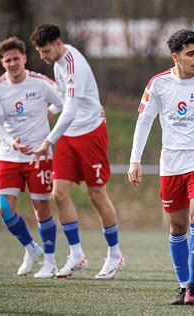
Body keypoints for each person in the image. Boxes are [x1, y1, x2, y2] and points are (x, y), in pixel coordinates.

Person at [128, 29, 194, 306]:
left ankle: (193, 287)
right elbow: (144, 122)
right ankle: (182, 284)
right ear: (176, 57)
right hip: (171, 165)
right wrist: (135, 159)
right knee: (177, 227)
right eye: (191, 54)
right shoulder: (158, 84)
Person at [29, 23, 125, 279]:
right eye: (39, 52)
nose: (43, 57)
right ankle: (76, 254)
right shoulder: (59, 63)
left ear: (58, 45)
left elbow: (71, 108)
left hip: (90, 133)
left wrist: (48, 141)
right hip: (69, 135)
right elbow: (63, 100)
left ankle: (115, 255)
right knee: (58, 194)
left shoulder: (74, 64)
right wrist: (49, 111)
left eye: (45, 51)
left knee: (96, 195)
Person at [0, 36, 63, 278]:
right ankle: (31, 248)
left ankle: (49, 262)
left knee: (41, 207)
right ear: (2, 62)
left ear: (25, 58)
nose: (12, 63)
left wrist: (48, 113)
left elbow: (63, 102)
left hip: (39, 155)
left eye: (16, 58)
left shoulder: (40, 83)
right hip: (9, 156)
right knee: (3, 209)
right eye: (7, 60)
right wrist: (12, 143)